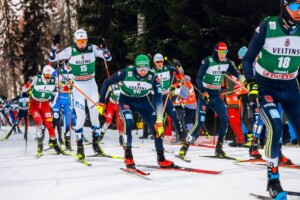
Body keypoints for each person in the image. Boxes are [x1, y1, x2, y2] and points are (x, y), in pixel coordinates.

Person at [242, 1, 300, 198]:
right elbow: (248, 58)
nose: (299, 11)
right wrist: (251, 82)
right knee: (275, 126)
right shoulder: (269, 25)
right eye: (294, 6)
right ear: (284, 6)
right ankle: (273, 179)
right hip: (267, 86)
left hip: (290, 86)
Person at [98, 54, 175, 169]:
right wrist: (102, 102)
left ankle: (161, 158)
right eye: (140, 68)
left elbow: (158, 98)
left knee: (158, 127)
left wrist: (159, 119)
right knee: (129, 121)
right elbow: (106, 82)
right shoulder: (127, 72)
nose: (143, 71)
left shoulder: (153, 77)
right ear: (135, 67)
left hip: (143, 101)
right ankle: (128, 156)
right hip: (126, 100)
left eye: (145, 68)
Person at [49, 29, 112, 161]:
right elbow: (53, 58)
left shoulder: (92, 48)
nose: (82, 44)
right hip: (78, 87)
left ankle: (95, 145)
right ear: (75, 41)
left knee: (95, 115)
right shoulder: (70, 51)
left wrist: (104, 47)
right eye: (79, 41)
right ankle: (80, 147)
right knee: (81, 117)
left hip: (91, 85)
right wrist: (54, 46)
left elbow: (108, 58)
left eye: (84, 41)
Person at [178, 42, 240, 159]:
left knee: (225, 119)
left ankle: (219, 148)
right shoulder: (208, 61)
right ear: (216, 52)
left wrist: (247, 80)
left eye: (225, 52)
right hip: (205, 94)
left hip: (216, 95)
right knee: (199, 122)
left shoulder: (227, 62)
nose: (223, 55)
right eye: (221, 52)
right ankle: (184, 147)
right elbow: (199, 78)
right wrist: (203, 91)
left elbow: (236, 74)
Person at [25, 65, 64, 156]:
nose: (47, 78)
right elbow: (24, 88)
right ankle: (40, 144)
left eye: (49, 76)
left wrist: (64, 86)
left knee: (49, 124)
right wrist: (28, 83)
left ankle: (55, 144)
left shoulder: (54, 80)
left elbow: (62, 86)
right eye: (46, 76)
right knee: (39, 122)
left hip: (45, 104)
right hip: (34, 104)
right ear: (42, 74)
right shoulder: (36, 79)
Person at [151, 53, 185, 141]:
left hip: (165, 96)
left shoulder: (167, 69)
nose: (160, 63)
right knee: (158, 117)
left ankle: (181, 135)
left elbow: (181, 72)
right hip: (156, 97)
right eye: (158, 62)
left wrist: (178, 66)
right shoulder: (151, 71)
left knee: (174, 115)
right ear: (155, 62)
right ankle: (157, 134)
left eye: (161, 61)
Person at [52, 61, 76, 150]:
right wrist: (56, 71)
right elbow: (51, 74)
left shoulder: (74, 71)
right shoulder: (60, 70)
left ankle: (67, 141)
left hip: (69, 97)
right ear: (64, 64)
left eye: (70, 65)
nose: (69, 67)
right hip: (59, 96)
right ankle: (52, 138)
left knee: (67, 119)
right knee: (55, 116)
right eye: (67, 65)